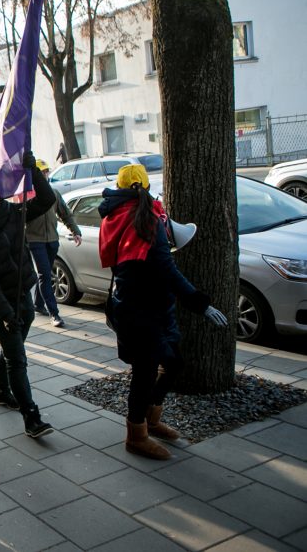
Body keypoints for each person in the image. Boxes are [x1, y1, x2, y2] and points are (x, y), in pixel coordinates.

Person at [99, 164, 228, 460]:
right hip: (143, 313)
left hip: (140, 309)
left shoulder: (117, 215)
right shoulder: (148, 220)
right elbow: (166, 270)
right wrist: (201, 303)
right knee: (144, 374)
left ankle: (152, 419)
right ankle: (136, 434)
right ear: (145, 187)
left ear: (120, 188)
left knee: (173, 364)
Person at [0, 153, 57, 438]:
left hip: (23, 293)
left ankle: (1, 390)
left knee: (11, 348)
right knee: (18, 358)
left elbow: (46, 200)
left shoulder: (13, 213)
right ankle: (31, 418)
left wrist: (34, 170)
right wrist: (4, 314)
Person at [25, 159, 82, 328]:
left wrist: (75, 231)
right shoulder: (28, 194)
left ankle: (38, 304)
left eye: (46, 172)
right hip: (35, 240)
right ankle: (54, 313)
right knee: (44, 274)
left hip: (52, 240)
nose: (44, 175)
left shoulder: (54, 193)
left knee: (46, 273)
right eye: (41, 172)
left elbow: (65, 213)